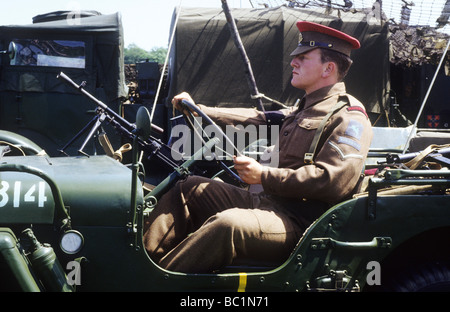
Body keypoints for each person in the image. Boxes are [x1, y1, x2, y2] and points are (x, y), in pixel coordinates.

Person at [143, 21, 373, 273]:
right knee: (188, 187)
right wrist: (199, 110)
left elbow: (333, 181)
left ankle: (156, 282)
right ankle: (144, 264)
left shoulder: (349, 116)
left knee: (228, 225)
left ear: (328, 68)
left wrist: (263, 175)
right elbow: (257, 118)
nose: (293, 62)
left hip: (301, 223)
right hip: (266, 203)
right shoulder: (304, 109)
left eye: (303, 58)